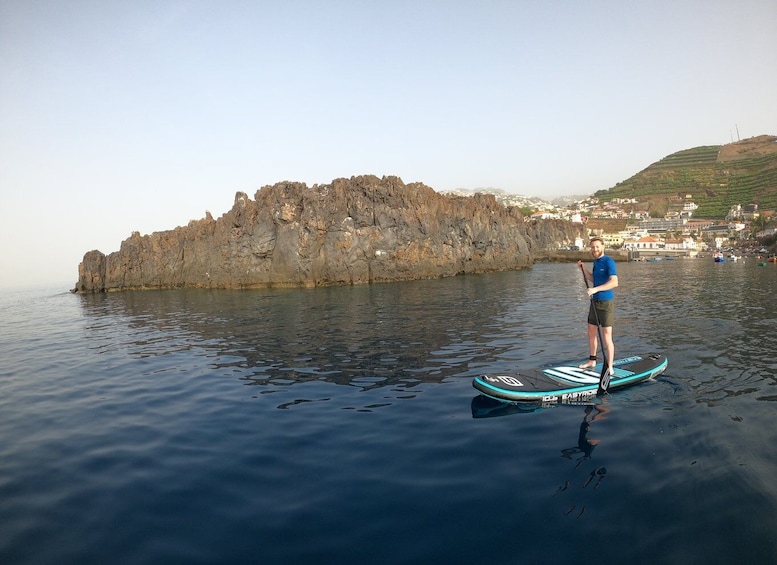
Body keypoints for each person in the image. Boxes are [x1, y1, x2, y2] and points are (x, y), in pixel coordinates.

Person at [577, 237, 618, 374]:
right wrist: (583, 270)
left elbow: (614, 282)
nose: (595, 249)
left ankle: (610, 366)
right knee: (591, 333)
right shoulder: (596, 262)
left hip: (606, 303)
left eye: (597, 247)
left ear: (603, 246)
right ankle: (592, 360)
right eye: (593, 247)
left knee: (607, 336)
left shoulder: (609, 262)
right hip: (594, 302)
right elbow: (595, 279)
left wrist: (595, 290)